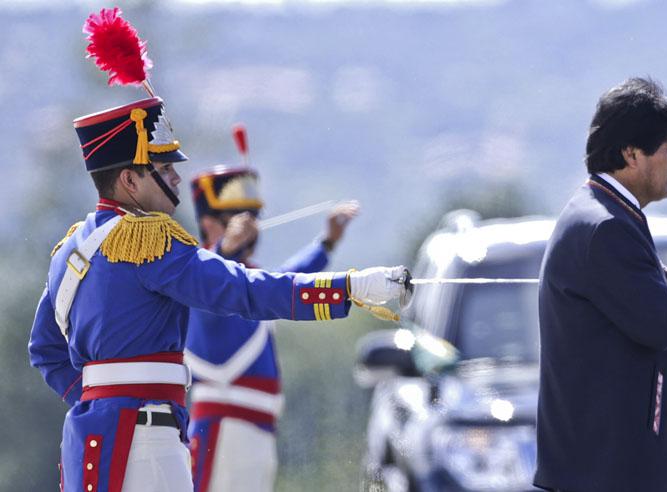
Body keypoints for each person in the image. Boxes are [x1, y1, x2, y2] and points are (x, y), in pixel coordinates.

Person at [27, 97, 405, 491]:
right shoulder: (150, 239)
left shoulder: (70, 249)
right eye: (164, 169)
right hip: (146, 438)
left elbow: (44, 348)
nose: (175, 179)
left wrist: (97, 399)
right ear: (129, 180)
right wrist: (351, 287)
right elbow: (243, 290)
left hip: (96, 436)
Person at [534, 78, 667, 492]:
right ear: (630, 153)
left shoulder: (600, 213)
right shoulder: (607, 227)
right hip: (609, 475)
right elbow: (663, 322)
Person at [185, 162, 360, 492]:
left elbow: (289, 280)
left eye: (252, 219)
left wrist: (327, 243)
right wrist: (225, 250)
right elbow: (208, 284)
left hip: (256, 425)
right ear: (209, 223)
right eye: (235, 220)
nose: (249, 229)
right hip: (225, 425)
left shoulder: (243, 279)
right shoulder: (200, 276)